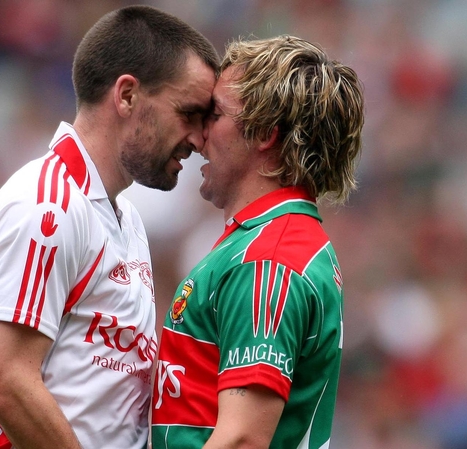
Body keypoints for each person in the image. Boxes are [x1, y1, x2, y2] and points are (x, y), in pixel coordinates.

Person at [0, 6, 218, 449]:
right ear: (126, 96)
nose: (200, 139)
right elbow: (7, 382)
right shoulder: (47, 204)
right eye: (189, 114)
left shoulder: (127, 220)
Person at [151, 35, 365, 448]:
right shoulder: (271, 242)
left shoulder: (268, 258)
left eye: (215, 114)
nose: (198, 133)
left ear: (265, 133)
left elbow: (242, 439)